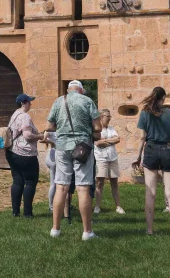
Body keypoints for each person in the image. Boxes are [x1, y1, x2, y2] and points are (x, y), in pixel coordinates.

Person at [46, 80, 101, 240]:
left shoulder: (58, 101)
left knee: (61, 187)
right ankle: (87, 232)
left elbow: (49, 126)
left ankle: (55, 230)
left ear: (69, 90)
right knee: (83, 188)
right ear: (81, 90)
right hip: (82, 147)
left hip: (62, 147)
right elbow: (98, 127)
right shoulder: (87, 101)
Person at [133, 87, 170, 236]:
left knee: (150, 192)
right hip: (168, 150)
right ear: (163, 98)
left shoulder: (145, 112)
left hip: (151, 150)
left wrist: (138, 156)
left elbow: (142, 137)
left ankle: (150, 230)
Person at [5, 93, 45, 218]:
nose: (30, 104)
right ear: (23, 103)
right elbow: (27, 135)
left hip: (12, 153)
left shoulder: (15, 115)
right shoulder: (25, 116)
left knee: (17, 181)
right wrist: (40, 136)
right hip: (25, 154)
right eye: (29, 101)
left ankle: (15, 211)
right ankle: (28, 213)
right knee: (30, 182)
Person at [93, 109, 125, 215]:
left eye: (110, 116)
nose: (109, 118)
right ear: (101, 117)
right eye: (108, 116)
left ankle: (118, 206)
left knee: (114, 182)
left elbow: (118, 139)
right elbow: (97, 143)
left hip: (112, 158)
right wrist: (110, 141)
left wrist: (105, 141)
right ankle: (97, 206)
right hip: (101, 158)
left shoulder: (111, 129)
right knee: (99, 183)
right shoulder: (96, 130)